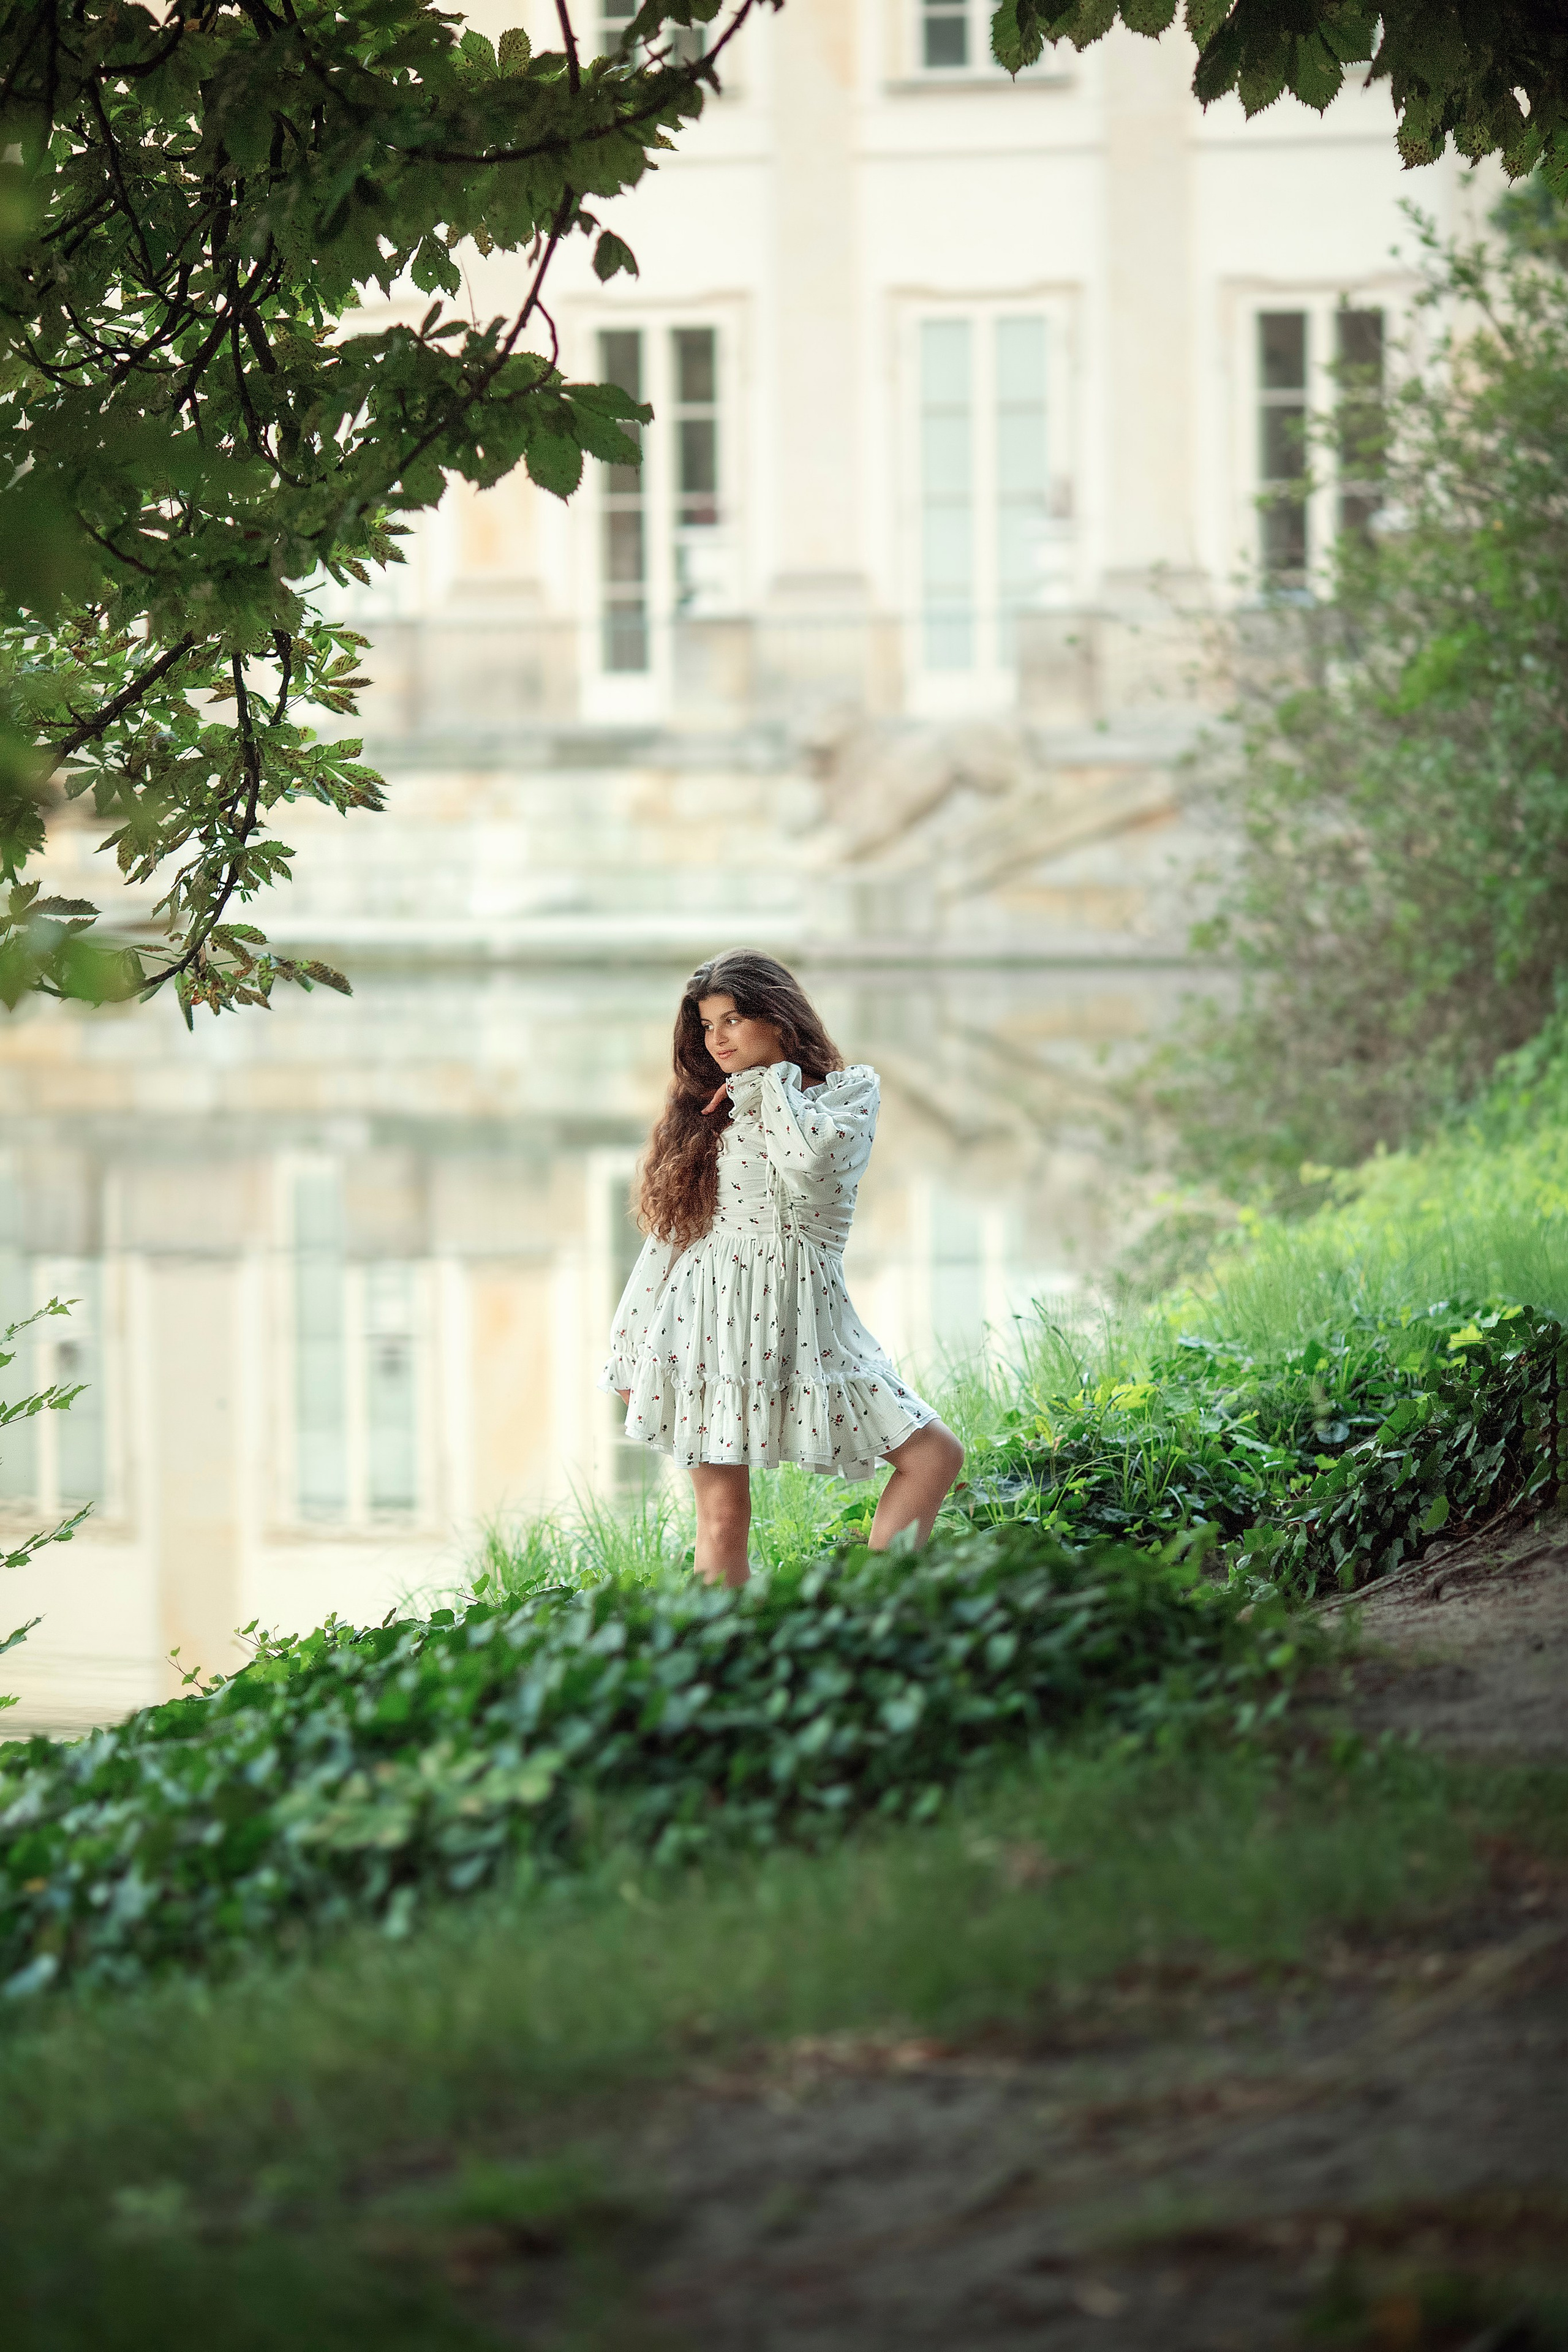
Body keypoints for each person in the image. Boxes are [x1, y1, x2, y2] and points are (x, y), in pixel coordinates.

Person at [602, 949, 965, 1588]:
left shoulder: (847, 1097)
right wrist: (627, 1348)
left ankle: (876, 1614)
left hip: (814, 1322)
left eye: (733, 1019)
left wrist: (768, 1084)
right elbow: (673, 1240)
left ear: (782, 1017)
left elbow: (811, 1163)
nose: (716, 1040)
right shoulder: (705, 1113)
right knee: (721, 1517)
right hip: (707, 1319)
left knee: (933, 1456)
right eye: (708, 1025)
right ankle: (725, 1660)